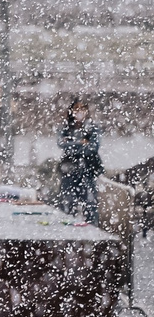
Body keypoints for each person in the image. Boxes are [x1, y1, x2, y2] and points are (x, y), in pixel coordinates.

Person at [56, 96, 104, 225]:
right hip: (69, 170)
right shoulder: (66, 127)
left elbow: (93, 147)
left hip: (88, 170)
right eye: (76, 109)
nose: (79, 112)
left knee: (90, 204)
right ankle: (66, 233)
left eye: (82, 109)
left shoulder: (93, 128)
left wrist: (71, 143)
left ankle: (93, 233)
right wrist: (81, 142)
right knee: (67, 203)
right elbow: (61, 144)